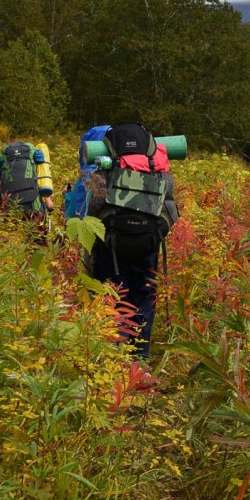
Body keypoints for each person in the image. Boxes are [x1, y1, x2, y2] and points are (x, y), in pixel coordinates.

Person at [79, 123, 178, 358]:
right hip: (147, 249)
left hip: (110, 249)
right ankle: (139, 359)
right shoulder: (161, 173)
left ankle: (111, 358)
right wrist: (153, 235)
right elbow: (172, 212)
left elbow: (92, 209)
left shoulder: (103, 173)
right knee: (143, 298)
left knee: (111, 298)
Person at [0, 140, 53, 219]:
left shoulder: (4, 162)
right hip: (33, 211)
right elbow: (49, 204)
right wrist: (48, 200)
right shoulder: (36, 164)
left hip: (8, 210)